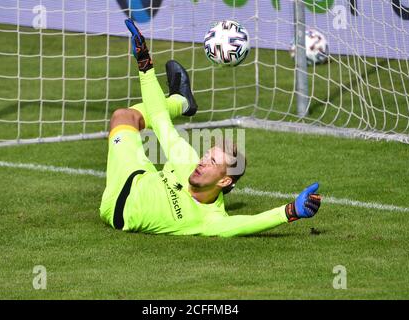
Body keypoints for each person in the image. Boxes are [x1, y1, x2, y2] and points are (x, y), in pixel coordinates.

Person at [99, 19, 322, 237]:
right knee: (124, 116)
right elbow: (159, 118)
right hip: (134, 174)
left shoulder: (209, 219)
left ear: (224, 181)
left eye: (212, 162)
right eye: (207, 156)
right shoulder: (186, 159)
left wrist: (290, 211)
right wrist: (144, 62)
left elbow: (249, 223)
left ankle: (180, 100)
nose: (202, 161)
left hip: (113, 206)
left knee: (123, 116)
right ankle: (181, 102)